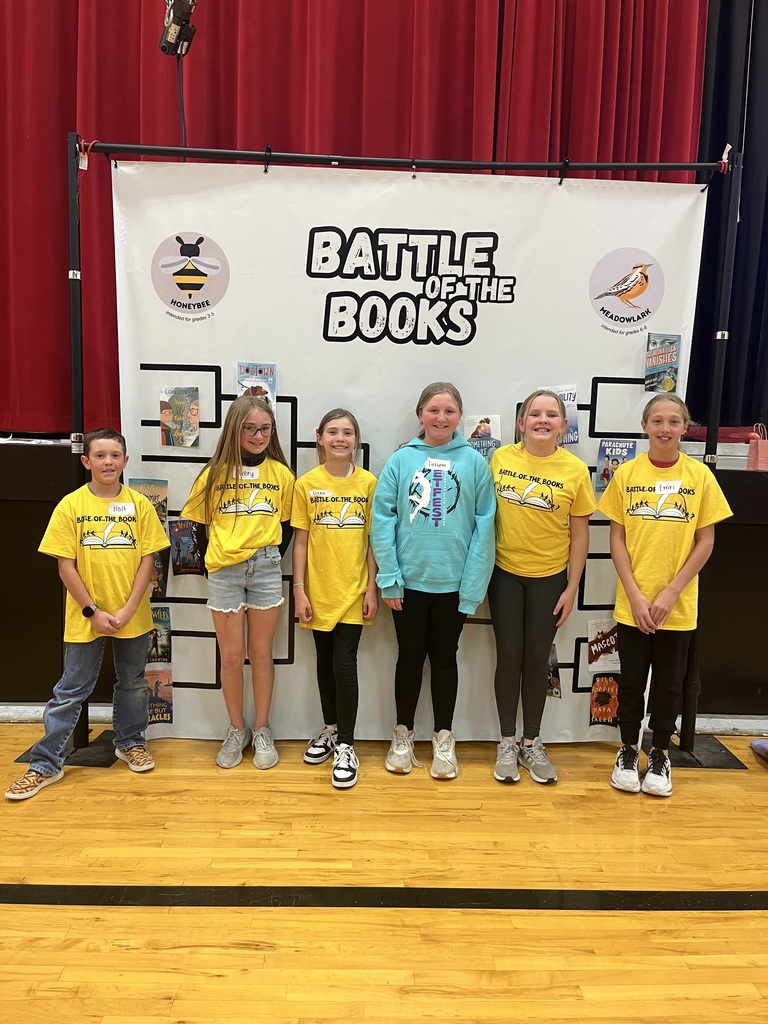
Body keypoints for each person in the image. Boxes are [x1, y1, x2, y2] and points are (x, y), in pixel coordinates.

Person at [5, 428, 170, 801]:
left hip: (133, 615)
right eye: (100, 455)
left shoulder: (140, 506)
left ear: (126, 461)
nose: (108, 462)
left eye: (115, 455)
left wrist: (128, 609)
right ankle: (45, 763)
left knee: (132, 682)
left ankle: (129, 742)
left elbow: (150, 560)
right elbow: (65, 566)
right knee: (71, 689)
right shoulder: (71, 505)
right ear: (86, 461)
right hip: (86, 616)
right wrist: (92, 610)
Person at [599, 395, 732, 797]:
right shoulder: (626, 474)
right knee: (631, 682)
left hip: (678, 605)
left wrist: (672, 591)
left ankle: (660, 754)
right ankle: (627, 750)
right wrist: (636, 596)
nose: (664, 428)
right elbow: (616, 538)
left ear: (684, 427)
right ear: (644, 425)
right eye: (657, 421)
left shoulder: (699, 476)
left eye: (674, 421)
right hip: (633, 604)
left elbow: (705, 540)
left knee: (669, 686)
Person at [371, 382, 495, 780]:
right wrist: (388, 578)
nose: (441, 418)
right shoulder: (400, 461)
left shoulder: (474, 464)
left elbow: (485, 528)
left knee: (445, 659)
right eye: (433, 410)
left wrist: (473, 586)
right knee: (408, 659)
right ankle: (402, 735)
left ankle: (444, 738)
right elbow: (382, 521)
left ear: (460, 417)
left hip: (453, 586)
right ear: (419, 414)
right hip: (407, 584)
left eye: (449, 411)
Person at [181, 395, 294, 770]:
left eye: (265, 428)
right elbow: (196, 527)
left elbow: (288, 526)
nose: (258, 435)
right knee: (231, 657)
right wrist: (219, 559)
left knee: (261, 655)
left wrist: (266, 555)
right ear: (234, 428)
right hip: (224, 571)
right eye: (250, 428)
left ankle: (262, 729)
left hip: (265, 567)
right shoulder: (212, 473)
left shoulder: (281, 473)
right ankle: (236, 729)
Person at [488, 389, 596, 785]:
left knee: (537, 659)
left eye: (552, 415)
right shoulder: (500, 458)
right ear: (521, 423)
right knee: (509, 655)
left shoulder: (573, 470)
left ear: (563, 426)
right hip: (503, 573)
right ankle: (506, 740)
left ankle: (531, 742)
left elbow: (581, 533)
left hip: (550, 578)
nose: (542, 420)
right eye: (535, 414)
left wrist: (572, 587)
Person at [291, 409, 378, 789]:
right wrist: (298, 589)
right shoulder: (305, 484)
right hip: (317, 591)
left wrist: (372, 587)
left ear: (356, 440)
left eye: (347, 433)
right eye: (333, 432)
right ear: (320, 438)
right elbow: (301, 541)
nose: (340, 438)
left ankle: (346, 745)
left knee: (345, 664)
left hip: (354, 591)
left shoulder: (370, 484)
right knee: (323, 662)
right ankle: (329, 729)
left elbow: (376, 541)